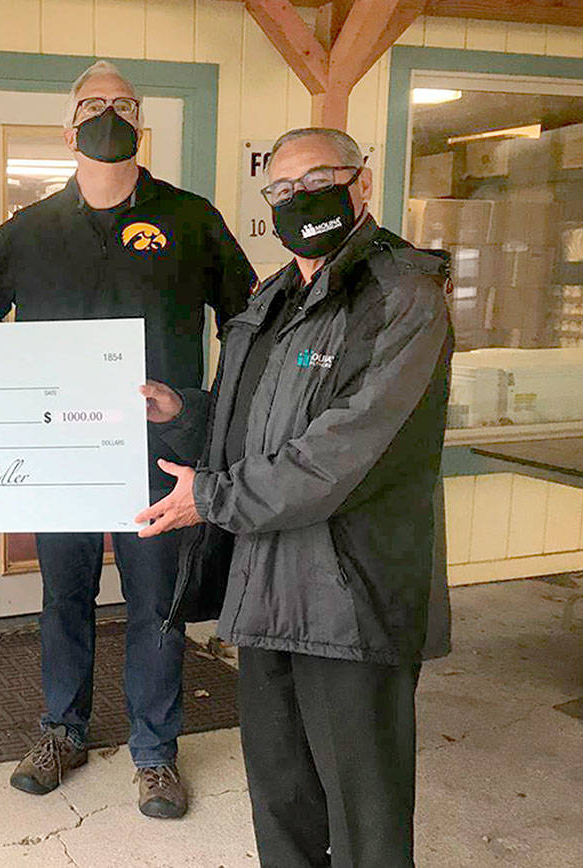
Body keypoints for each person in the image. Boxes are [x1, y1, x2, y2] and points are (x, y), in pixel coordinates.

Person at [137, 127, 453, 867]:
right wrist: (183, 411)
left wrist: (211, 499)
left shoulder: (402, 294)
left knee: (365, 816)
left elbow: (341, 452)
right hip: (268, 587)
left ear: (361, 184)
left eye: (317, 181)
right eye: (280, 191)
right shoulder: (273, 298)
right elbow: (253, 422)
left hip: (352, 596)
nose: (297, 200)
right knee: (280, 799)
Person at [0, 60, 256, 818]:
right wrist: (7, 412)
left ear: (140, 123)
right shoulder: (25, 231)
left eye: (123, 104)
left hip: (160, 456)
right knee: (64, 596)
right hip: (60, 454)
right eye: (95, 105)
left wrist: (202, 411)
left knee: (157, 604)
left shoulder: (192, 220)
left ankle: (155, 754)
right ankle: (64, 730)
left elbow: (249, 325)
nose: (109, 114)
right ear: (68, 130)